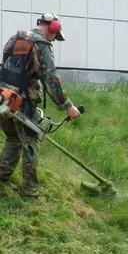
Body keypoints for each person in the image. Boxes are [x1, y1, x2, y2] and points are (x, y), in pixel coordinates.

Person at [0, 13, 81, 199]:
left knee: (13, 139)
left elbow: (5, 64)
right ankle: (30, 191)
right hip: (23, 101)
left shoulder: (15, 37)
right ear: (52, 27)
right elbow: (50, 77)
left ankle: (2, 175)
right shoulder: (42, 45)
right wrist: (67, 105)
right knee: (30, 143)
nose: (55, 38)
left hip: (3, 97)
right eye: (56, 34)